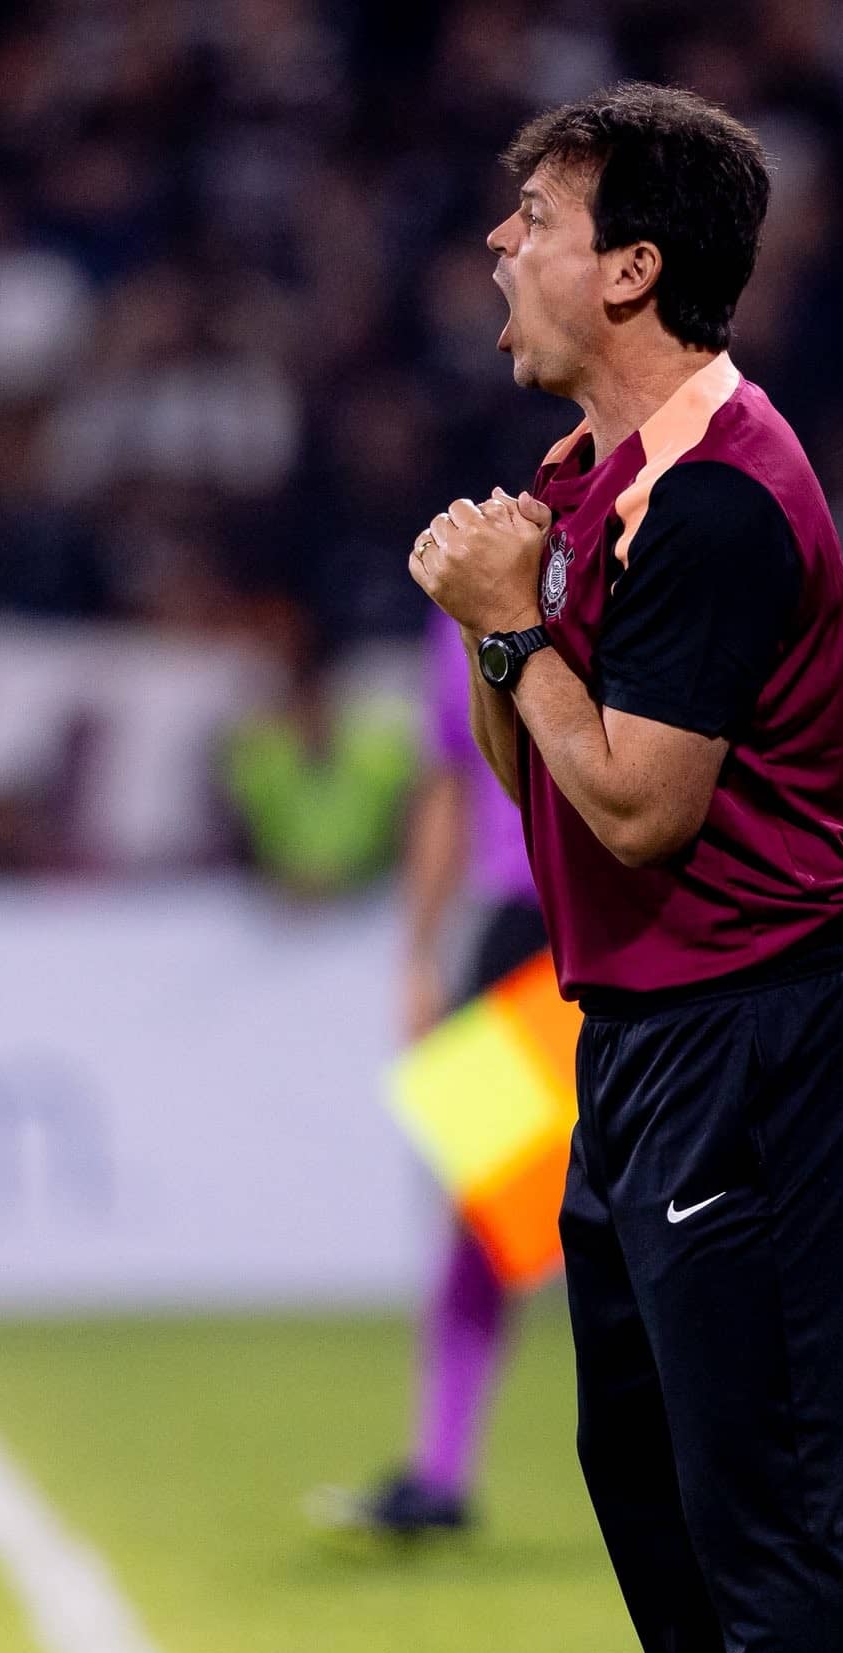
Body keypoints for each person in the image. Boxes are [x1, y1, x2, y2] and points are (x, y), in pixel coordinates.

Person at [408, 84, 843, 1653]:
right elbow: (538, 773)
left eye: (530, 217)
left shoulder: (710, 494)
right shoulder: (598, 476)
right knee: (651, 1478)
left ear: (634, 262)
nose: (497, 248)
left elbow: (637, 808)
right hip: (639, 1035)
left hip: (765, 1028)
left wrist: (508, 622)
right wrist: (496, 638)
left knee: (766, 1494)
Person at [328, 605, 546, 1537]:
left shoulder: (633, 549)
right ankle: (440, 1472)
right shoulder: (461, 593)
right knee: (485, 1209)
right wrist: (419, 953)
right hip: (516, 926)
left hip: (630, 910)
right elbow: (450, 782)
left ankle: (713, 1470)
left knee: (647, 1211)